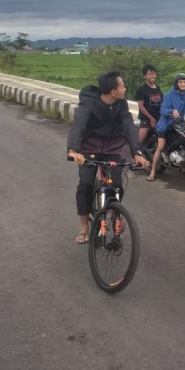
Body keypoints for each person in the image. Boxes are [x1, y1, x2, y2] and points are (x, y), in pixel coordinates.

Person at [67, 71, 150, 244]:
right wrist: (73, 150)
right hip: (89, 148)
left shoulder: (121, 103)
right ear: (113, 92)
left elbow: (128, 126)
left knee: (116, 185)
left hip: (112, 147)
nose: (125, 89)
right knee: (86, 184)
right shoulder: (88, 102)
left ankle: (114, 211)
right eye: (122, 86)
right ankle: (85, 227)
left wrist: (137, 153)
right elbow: (79, 125)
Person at [147, 73, 185, 181]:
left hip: (178, 124)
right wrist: (171, 111)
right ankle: (153, 171)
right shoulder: (169, 95)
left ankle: (184, 165)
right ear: (176, 83)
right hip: (165, 125)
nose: (183, 84)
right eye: (180, 82)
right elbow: (162, 110)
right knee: (161, 146)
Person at [134, 64, 163, 145]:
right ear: (145, 76)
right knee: (140, 141)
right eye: (149, 74)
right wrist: (151, 119)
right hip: (146, 119)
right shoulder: (141, 89)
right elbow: (141, 106)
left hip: (158, 117)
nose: (152, 76)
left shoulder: (157, 88)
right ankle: (136, 153)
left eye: (153, 74)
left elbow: (162, 102)